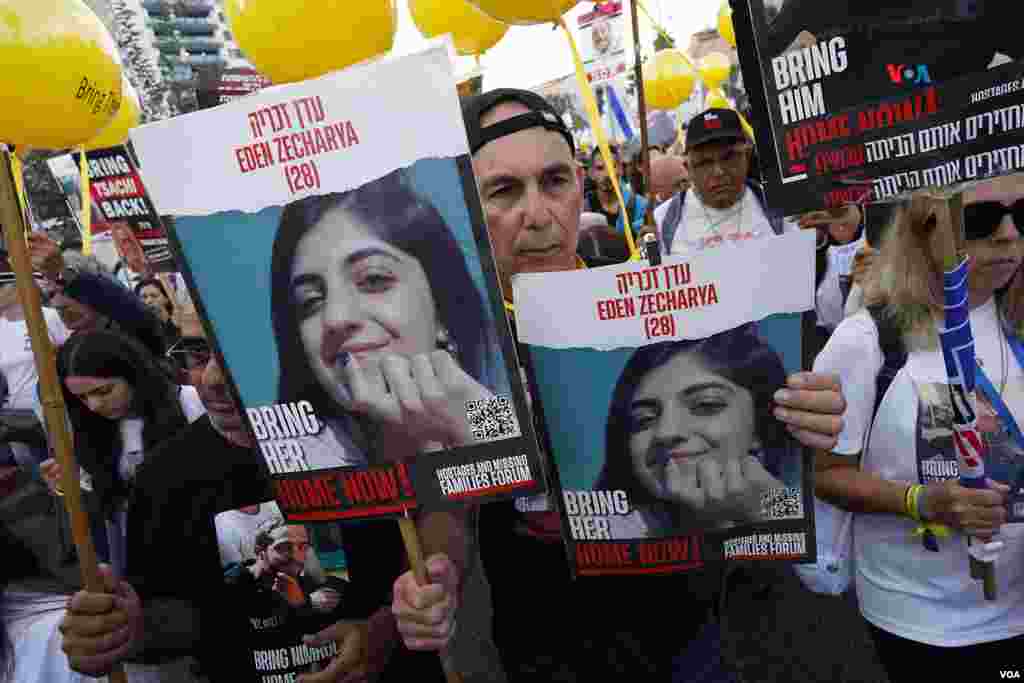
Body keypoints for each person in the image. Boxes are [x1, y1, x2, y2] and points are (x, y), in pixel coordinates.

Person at [419, 87, 847, 680]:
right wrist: (436, 574)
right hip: (542, 650)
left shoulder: (651, 307)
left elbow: (774, 464)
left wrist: (806, 419)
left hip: (688, 635)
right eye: (504, 190)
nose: (539, 215)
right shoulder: (449, 344)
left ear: (578, 187)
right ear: (467, 203)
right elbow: (450, 504)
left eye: (555, 180)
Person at [57, 321, 460, 682]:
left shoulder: (377, 436)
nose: (212, 377)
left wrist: (390, 625)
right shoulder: (161, 476)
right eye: (197, 353)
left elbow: (445, 526)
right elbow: (177, 613)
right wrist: (125, 630)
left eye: (235, 352)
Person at [813, 175, 1024, 678]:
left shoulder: (1016, 322)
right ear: (927, 226)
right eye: (982, 219)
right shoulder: (868, 340)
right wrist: (923, 501)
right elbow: (826, 475)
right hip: (923, 618)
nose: (1009, 235)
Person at [270, 167, 508, 468]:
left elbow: (528, 490)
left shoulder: (500, 414)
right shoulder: (295, 461)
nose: (335, 317)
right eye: (311, 302)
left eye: (373, 279)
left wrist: (485, 434)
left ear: (442, 310)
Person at [596, 326, 800, 538]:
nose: (666, 432)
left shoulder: (805, 504)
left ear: (760, 426)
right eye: (644, 419)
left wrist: (774, 508)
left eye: (706, 405)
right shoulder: (601, 531)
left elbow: (827, 564)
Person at [49, 330, 205, 578]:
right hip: (141, 557)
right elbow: (107, 499)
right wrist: (70, 481)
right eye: (82, 397)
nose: (94, 405)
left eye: (104, 391)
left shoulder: (191, 403)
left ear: (133, 374)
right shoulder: (93, 429)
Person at [653, 108, 799, 256]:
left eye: (729, 157)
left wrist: (819, 242)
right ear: (688, 168)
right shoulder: (662, 222)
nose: (718, 171)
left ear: (747, 156)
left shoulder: (782, 209)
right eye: (704, 162)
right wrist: (647, 255)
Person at [28, 233, 169, 359]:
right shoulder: (68, 355)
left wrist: (62, 273)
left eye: (67, 291)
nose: (59, 304)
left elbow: (129, 308)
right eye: (51, 295)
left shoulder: (135, 332)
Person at [583, 145, 648, 241]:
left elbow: (647, 248)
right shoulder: (583, 209)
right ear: (591, 173)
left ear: (621, 169)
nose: (607, 174)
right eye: (600, 168)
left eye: (612, 166)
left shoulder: (640, 205)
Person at [134, 278, 179, 347]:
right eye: (144, 297)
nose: (149, 301)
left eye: (154, 296)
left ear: (166, 299)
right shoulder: (138, 331)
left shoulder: (180, 324)